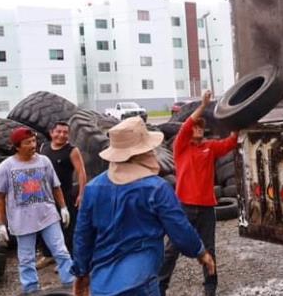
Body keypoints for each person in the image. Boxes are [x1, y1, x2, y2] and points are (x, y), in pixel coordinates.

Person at [71, 117, 214, 296]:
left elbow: (82, 236)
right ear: (143, 152)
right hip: (140, 281)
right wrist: (200, 252)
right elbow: (179, 228)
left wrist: (81, 272)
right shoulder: (156, 188)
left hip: (102, 284)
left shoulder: (93, 188)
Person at [159, 90, 238, 296]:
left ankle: (210, 288)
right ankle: (160, 286)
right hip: (184, 206)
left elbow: (230, 143)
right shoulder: (180, 147)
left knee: (209, 249)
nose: (198, 129)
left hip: (206, 208)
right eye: (195, 126)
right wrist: (203, 105)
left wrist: (238, 123)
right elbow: (185, 125)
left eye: (201, 127)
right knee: (172, 249)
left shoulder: (210, 148)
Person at [0, 127, 74, 294]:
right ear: (17, 146)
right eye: (27, 142)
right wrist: (0, 224)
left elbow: (55, 186)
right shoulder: (6, 167)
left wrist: (64, 207)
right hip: (22, 219)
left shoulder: (44, 161)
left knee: (60, 250)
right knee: (26, 258)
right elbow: (0, 197)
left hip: (47, 215)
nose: (33, 145)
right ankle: (31, 289)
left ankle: (71, 282)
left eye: (33, 141)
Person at [37, 121, 87, 266]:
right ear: (52, 133)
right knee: (45, 225)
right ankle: (48, 255)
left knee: (68, 226)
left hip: (66, 194)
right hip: (45, 195)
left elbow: (81, 172)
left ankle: (68, 259)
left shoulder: (72, 150)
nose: (61, 135)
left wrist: (81, 194)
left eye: (65, 132)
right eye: (58, 132)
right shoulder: (43, 147)